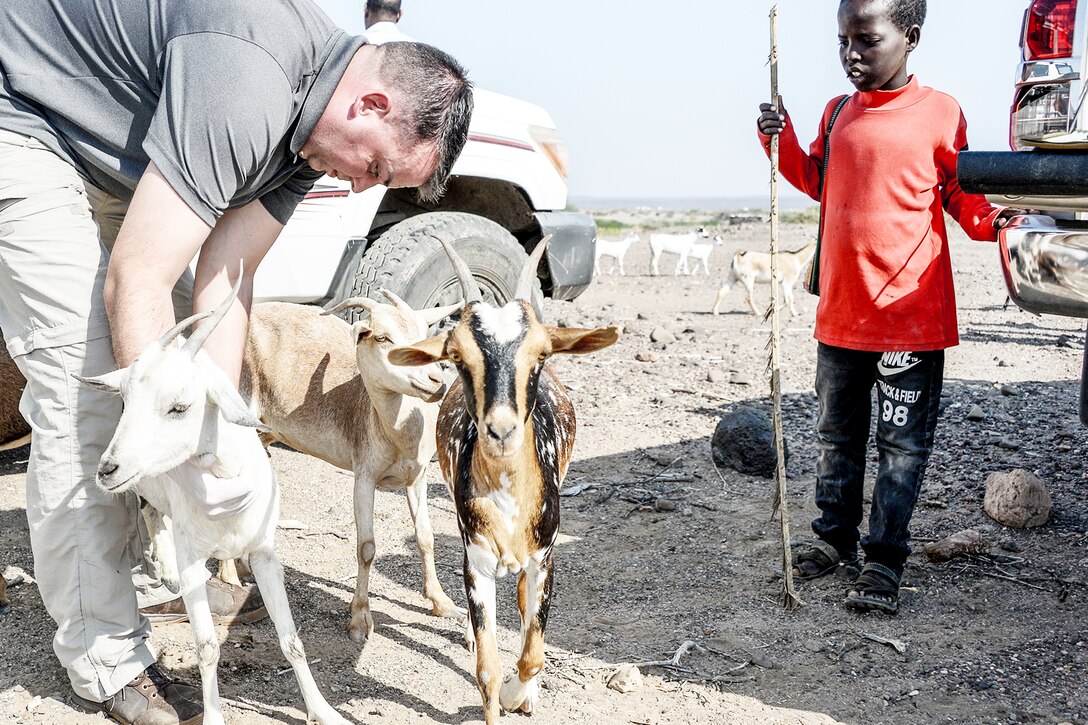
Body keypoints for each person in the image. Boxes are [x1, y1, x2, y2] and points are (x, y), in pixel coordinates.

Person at [0, 1, 472, 723]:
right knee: (88, 382)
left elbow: (226, 280)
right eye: (374, 166)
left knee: (183, 355)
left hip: (109, 139)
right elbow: (138, 279)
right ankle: (105, 657)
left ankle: (157, 570)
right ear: (370, 103)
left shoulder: (314, 134)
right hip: (26, 112)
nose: (358, 186)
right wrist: (177, 457)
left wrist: (224, 441)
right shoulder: (251, 77)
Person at [756, 0, 1017, 615]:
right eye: (843, 41)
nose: (851, 54)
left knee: (901, 448)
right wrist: (778, 138)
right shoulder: (838, 111)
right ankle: (831, 540)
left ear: (911, 37)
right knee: (835, 436)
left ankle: (883, 560)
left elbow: (961, 196)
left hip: (910, 318)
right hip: (841, 316)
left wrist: (1005, 224)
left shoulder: (940, 113)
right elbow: (818, 180)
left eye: (866, 40)